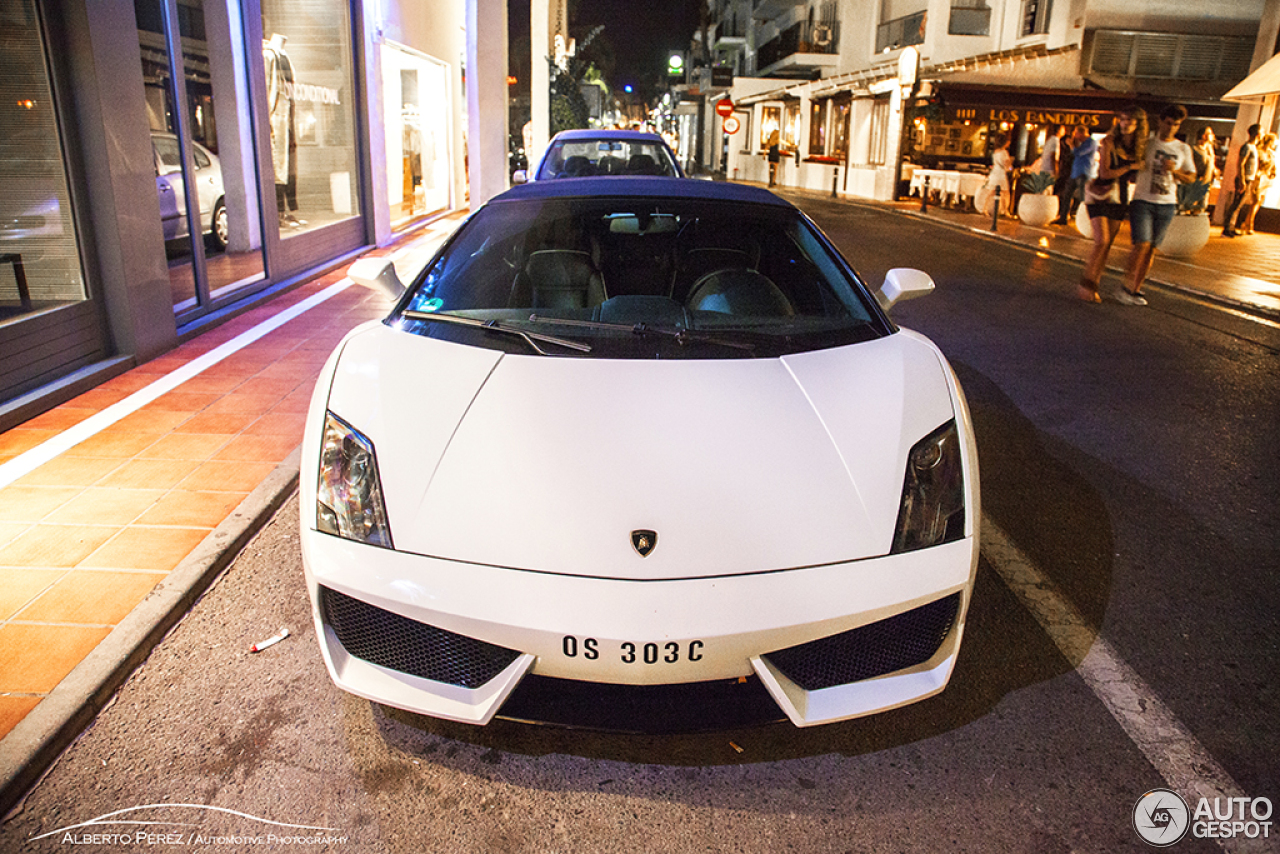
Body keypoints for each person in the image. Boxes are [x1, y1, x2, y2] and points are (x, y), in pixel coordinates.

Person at [1116, 104, 1196, 306]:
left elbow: (1191, 177)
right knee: (1141, 244)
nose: (1171, 128)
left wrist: (1174, 171)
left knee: (1151, 248)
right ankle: (1125, 286)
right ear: (1160, 121)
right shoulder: (1147, 144)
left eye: (1176, 125)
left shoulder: (1183, 148)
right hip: (1143, 200)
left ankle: (1136, 288)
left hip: (1167, 204)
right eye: (1168, 123)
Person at [1077, 106, 1147, 303]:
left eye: (1130, 121)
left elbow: (1134, 176)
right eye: (1123, 119)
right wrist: (1131, 166)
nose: (1125, 124)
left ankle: (1093, 285)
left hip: (1121, 196)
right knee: (1102, 241)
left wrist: (1133, 170)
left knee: (1107, 246)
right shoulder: (1109, 141)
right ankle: (1085, 286)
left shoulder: (1138, 147)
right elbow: (1105, 173)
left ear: (1139, 124)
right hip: (1100, 193)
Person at [1221, 124, 1260, 238]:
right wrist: (1242, 179)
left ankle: (1231, 227)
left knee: (1239, 204)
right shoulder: (1247, 146)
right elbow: (1240, 163)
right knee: (1236, 204)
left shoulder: (1253, 147)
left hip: (1249, 178)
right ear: (1257, 134)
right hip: (1245, 178)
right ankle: (1227, 228)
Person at [1055, 125, 1093, 224]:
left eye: (1075, 134)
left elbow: (1079, 153)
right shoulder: (1079, 143)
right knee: (1067, 194)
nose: (1074, 136)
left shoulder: (1090, 142)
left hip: (1083, 172)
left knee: (1082, 197)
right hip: (1074, 172)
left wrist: (1071, 145)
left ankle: (1086, 219)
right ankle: (1063, 218)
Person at [1241, 132, 1276, 235]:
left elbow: (1273, 165)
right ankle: (1249, 224)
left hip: (1266, 179)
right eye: (1273, 142)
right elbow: (1258, 164)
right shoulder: (1259, 152)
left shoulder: (1271, 153)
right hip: (1258, 178)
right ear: (1269, 141)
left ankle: (1247, 222)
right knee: (1255, 201)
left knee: (1259, 202)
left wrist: (1273, 172)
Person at [980, 133, 1014, 217]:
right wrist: (1011, 167)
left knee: (991, 192)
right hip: (1001, 174)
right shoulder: (1004, 152)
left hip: (994, 173)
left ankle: (984, 208)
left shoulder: (995, 152)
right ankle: (1006, 211)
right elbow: (1006, 165)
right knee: (1005, 193)